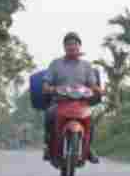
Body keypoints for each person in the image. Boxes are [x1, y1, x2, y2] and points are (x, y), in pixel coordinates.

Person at [40, 30, 102, 163]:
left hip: (81, 103)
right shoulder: (56, 64)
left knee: (90, 119)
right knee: (49, 114)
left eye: (74, 44)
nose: (71, 46)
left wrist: (100, 90)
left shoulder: (86, 66)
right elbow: (46, 84)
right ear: (64, 47)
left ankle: (89, 148)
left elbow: (92, 85)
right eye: (68, 44)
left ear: (79, 46)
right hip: (60, 102)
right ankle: (48, 146)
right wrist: (50, 88)